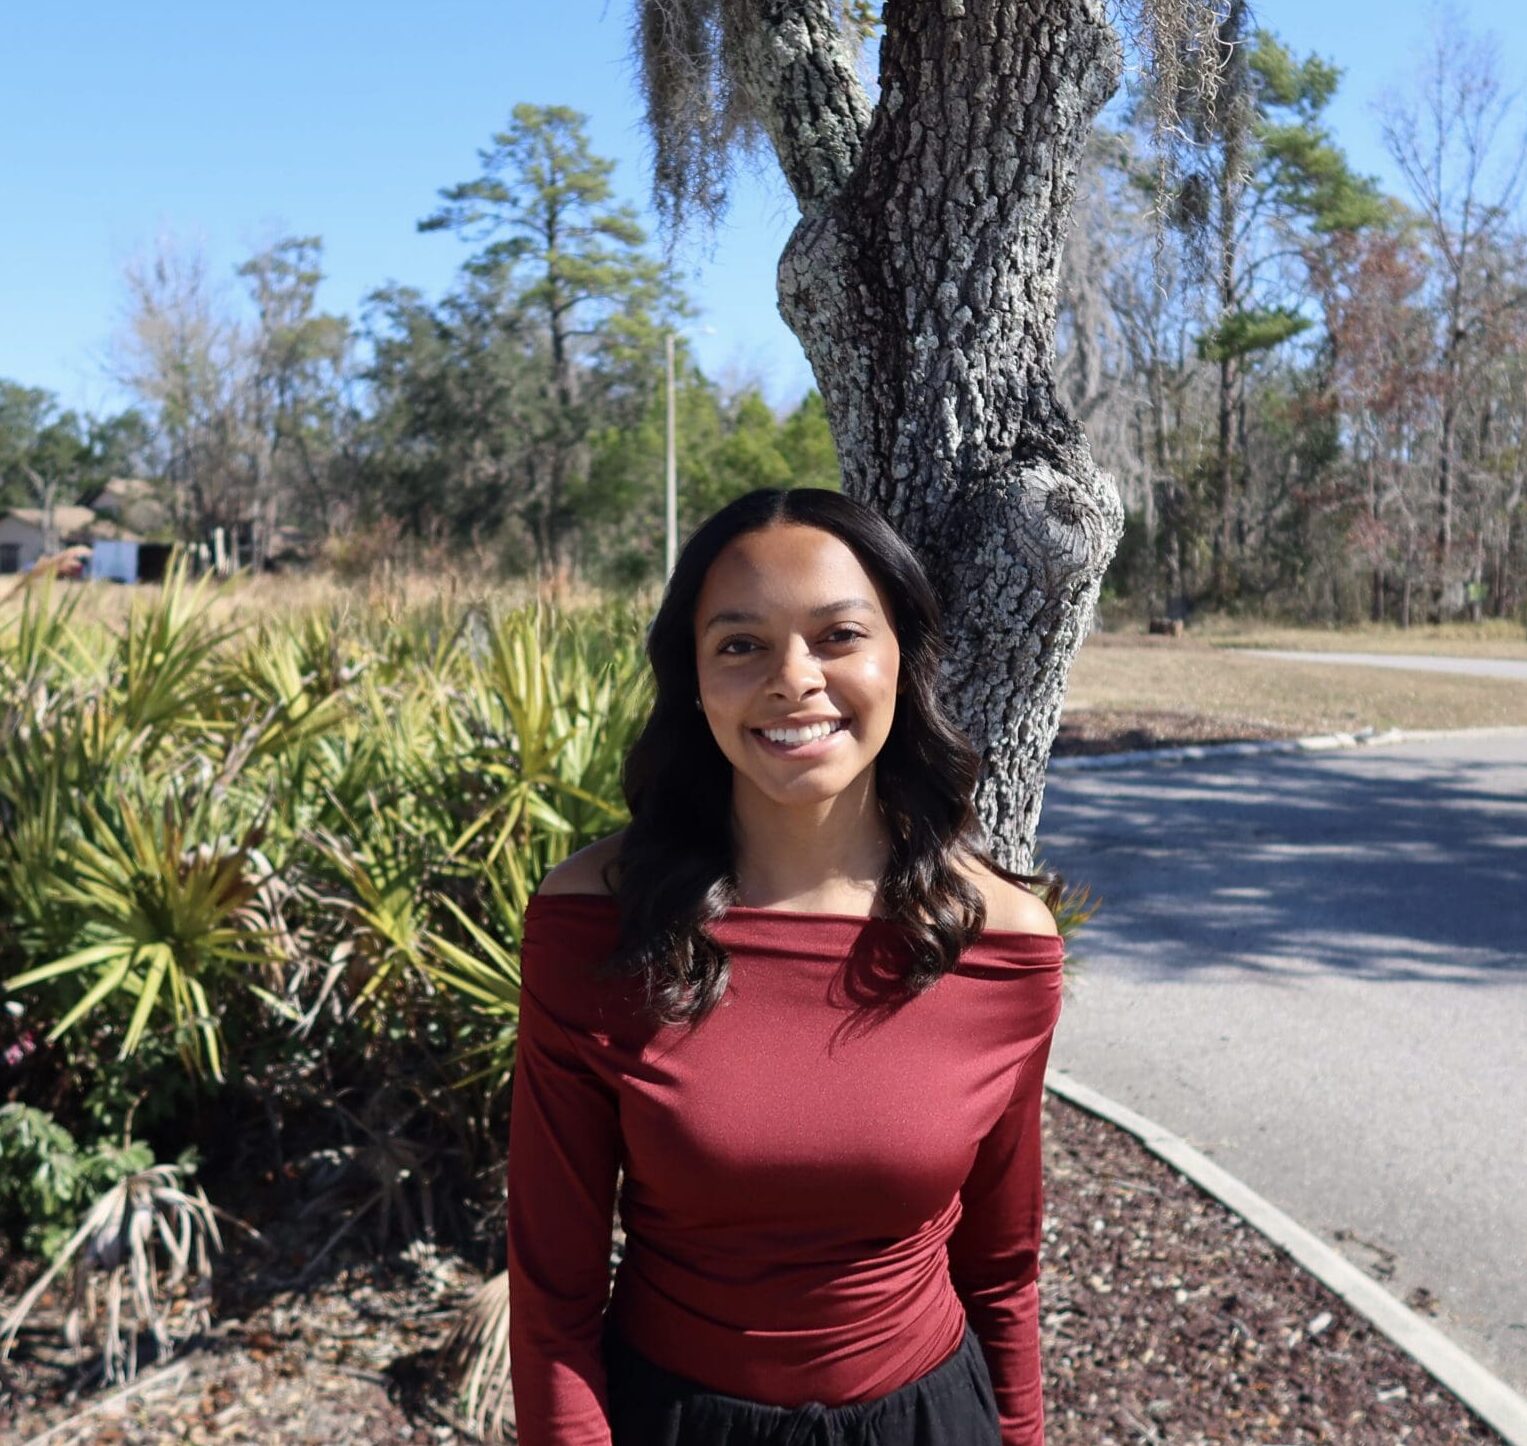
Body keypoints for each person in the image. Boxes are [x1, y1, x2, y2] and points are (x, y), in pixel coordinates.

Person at [508, 486, 1066, 1446]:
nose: (793, 678)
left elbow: (1000, 1270)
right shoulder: (594, 921)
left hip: (929, 1422)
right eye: (740, 644)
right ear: (692, 678)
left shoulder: (1004, 943)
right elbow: (552, 1292)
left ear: (904, 658)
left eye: (838, 635)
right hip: (675, 1421)